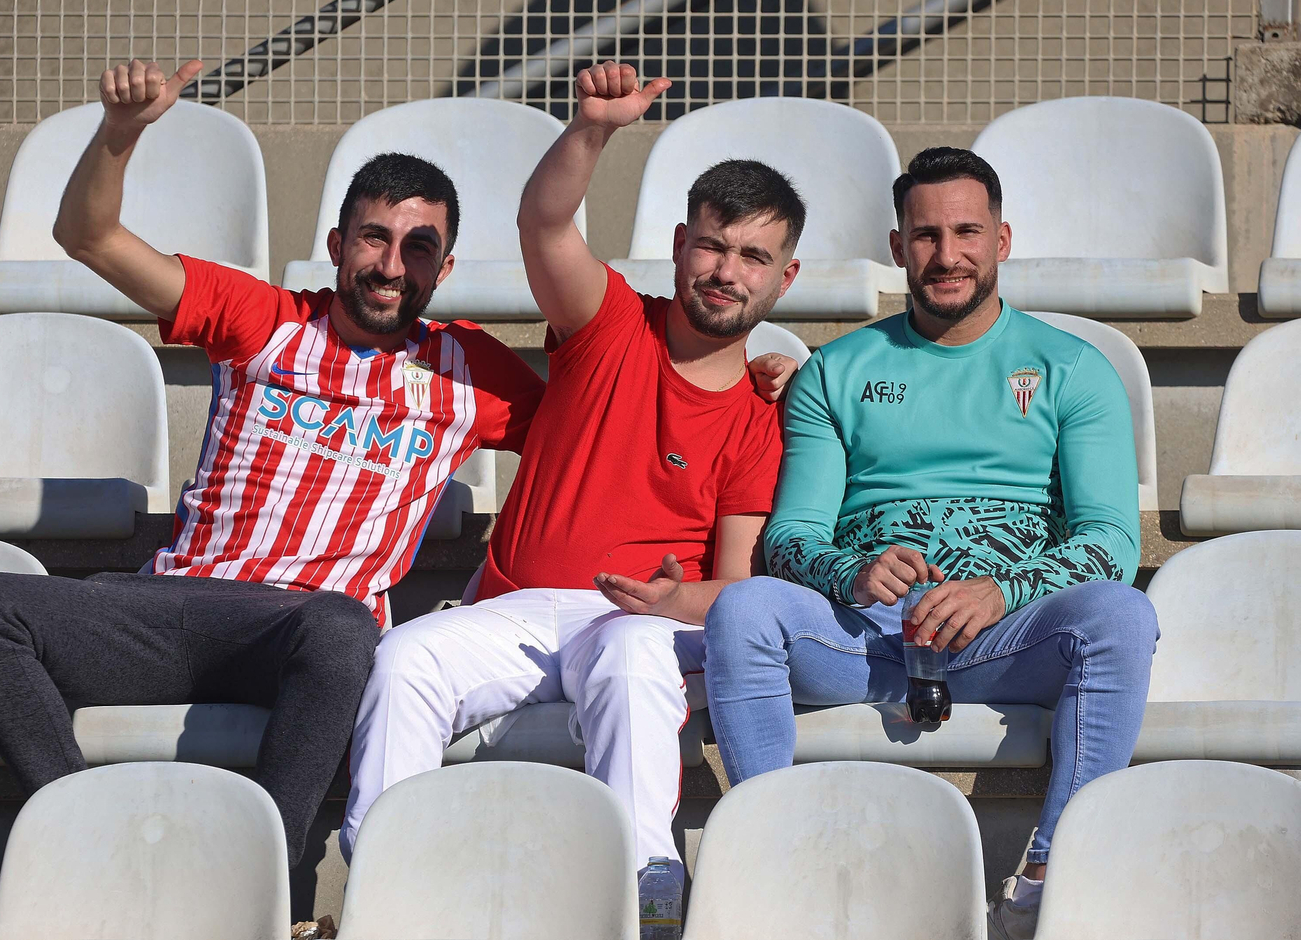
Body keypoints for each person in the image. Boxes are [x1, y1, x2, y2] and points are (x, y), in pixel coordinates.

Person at [0, 58, 548, 867]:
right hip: (173, 608)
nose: (392, 266)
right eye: (374, 237)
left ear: (445, 267)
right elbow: (87, 237)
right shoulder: (263, 319)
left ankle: (260, 882)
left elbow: (612, 425)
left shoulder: (472, 372)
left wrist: (762, 389)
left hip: (301, 635)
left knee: (342, 625)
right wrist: (120, 136)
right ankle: (77, 831)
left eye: (419, 247)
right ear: (336, 245)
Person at [341, 61, 802, 879]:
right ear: (679, 247)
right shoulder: (610, 321)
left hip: (650, 623)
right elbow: (544, 224)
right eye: (713, 246)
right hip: (517, 611)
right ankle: (392, 888)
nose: (728, 272)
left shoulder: (766, 413)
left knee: (629, 655)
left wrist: (671, 599)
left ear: (785, 277)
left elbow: (735, 586)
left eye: (754, 257)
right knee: (404, 658)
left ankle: (643, 895)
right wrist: (592, 129)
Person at [701, 147, 1158, 939]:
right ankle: (770, 862)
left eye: (967, 232)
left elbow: (1111, 542)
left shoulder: (1074, 369)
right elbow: (792, 538)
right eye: (925, 235)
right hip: (866, 637)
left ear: (1003, 240)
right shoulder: (835, 372)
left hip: (1009, 636)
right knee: (744, 610)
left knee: (1121, 615)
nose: (947, 256)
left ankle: (1051, 874)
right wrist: (853, 570)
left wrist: (1001, 591)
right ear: (896, 245)